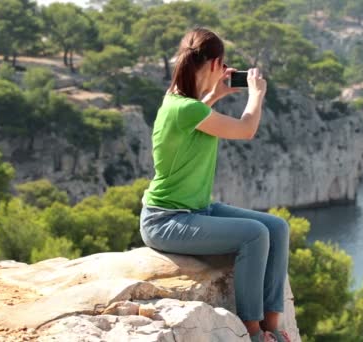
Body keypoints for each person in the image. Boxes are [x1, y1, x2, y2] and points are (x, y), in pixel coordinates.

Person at [139, 27, 290, 342]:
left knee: (277, 228)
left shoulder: (179, 101)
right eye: (223, 65)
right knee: (255, 235)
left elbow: (198, 113)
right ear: (213, 64)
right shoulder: (186, 108)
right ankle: (251, 332)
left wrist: (218, 93)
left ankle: (272, 327)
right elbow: (246, 129)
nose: (225, 71)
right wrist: (256, 93)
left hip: (197, 210)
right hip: (166, 220)